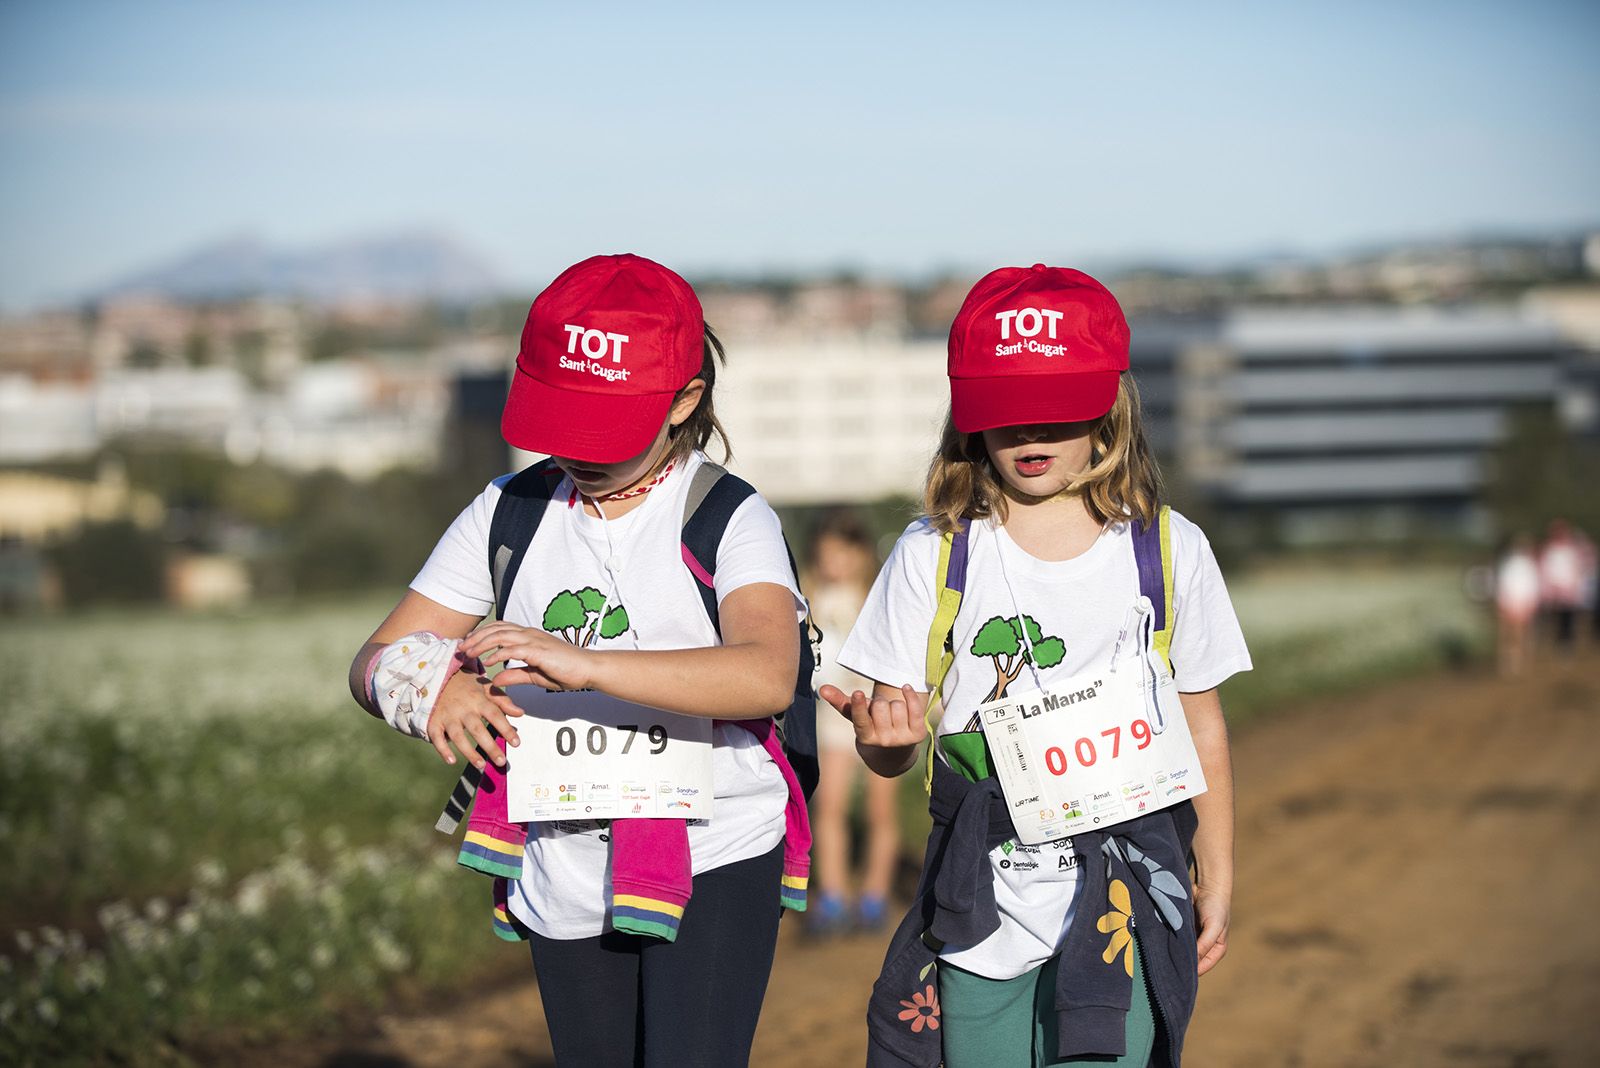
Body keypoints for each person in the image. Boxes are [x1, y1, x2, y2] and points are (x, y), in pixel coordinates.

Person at [347, 254, 811, 1068]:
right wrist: (430, 691)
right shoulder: (508, 511)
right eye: (563, 423)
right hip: (560, 859)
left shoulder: (728, 515)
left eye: (605, 427)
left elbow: (766, 675)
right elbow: (373, 658)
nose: (579, 452)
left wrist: (585, 665)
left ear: (686, 403)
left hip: (716, 846)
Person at [822, 264, 1250, 1068]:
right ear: (969, 419)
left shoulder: (1168, 549)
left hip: (1122, 893)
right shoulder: (933, 555)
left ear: (1109, 412)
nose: (1030, 439)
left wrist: (1217, 876)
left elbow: (1203, 727)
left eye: (1057, 415)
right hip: (980, 905)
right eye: (1006, 416)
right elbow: (890, 751)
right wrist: (887, 740)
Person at [807, 507, 900, 934]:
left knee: (881, 810)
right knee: (830, 806)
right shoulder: (808, 599)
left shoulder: (877, 598)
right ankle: (833, 897)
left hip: (877, 712)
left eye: (843, 553)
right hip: (831, 716)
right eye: (828, 554)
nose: (834, 563)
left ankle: (875, 897)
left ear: (861, 554)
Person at [1494, 535, 1541, 676]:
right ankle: (1509, 663)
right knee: (1510, 635)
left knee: (1516, 635)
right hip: (1512, 602)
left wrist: (1530, 603)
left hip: (1519, 603)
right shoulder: (1511, 564)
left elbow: (1532, 586)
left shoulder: (1525, 565)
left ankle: (1515, 663)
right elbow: (1503, 585)